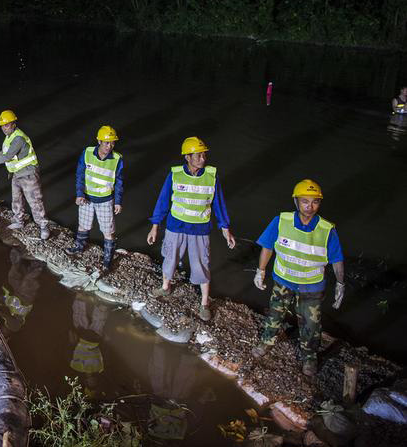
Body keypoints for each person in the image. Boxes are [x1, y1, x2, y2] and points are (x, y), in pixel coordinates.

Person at [251, 180, 345, 377]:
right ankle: (267, 341)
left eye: (315, 202)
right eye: (305, 201)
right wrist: (260, 271)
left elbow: (337, 259)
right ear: (296, 201)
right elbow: (267, 247)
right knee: (275, 313)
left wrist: (340, 283)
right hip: (284, 280)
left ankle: (309, 356)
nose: (309, 207)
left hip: (311, 286)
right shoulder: (281, 221)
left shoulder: (327, 229)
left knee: (311, 323)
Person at [146, 136, 235, 321]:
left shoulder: (211, 176)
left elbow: (218, 204)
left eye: (204, 155)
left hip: (200, 229)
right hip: (175, 226)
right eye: (199, 155)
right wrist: (155, 226)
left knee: (201, 264)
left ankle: (204, 303)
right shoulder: (175, 174)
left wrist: (225, 229)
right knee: (170, 257)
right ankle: (165, 287)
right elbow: (162, 201)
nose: (203, 158)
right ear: (187, 157)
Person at [0, 110, 50, 240]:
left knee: (35, 201)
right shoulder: (9, 138)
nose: (4, 128)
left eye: (7, 125)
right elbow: (3, 152)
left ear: (13, 124)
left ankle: (44, 226)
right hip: (16, 173)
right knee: (17, 199)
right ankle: (19, 220)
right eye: (2, 125)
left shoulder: (18, 138)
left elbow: (8, 156)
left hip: (28, 173)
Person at [65, 125, 124, 268]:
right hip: (86, 198)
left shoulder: (117, 159)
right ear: (99, 141)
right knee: (83, 225)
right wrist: (79, 194)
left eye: (112, 143)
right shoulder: (87, 153)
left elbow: (119, 182)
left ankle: (107, 259)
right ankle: (79, 247)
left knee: (108, 231)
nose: (110, 146)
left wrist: (118, 202)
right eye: (106, 142)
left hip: (105, 200)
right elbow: (80, 174)